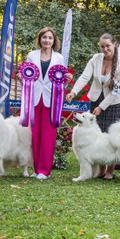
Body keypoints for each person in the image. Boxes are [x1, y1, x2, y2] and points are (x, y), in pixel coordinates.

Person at [66, 33, 120, 180]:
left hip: (114, 102)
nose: (105, 49)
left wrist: (102, 107)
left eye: (108, 46)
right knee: (97, 136)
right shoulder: (95, 59)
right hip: (95, 98)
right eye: (102, 46)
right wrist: (73, 92)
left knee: (111, 136)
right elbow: (85, 77)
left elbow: (116, 91)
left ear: (114, 44)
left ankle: (110, 170)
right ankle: (100, 170)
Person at [24, 27, 72, 180]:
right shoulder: (32, 55)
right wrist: (21, 76)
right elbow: (26, 74)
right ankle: (36, 168)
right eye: (44, 37)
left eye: (50, 38)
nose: (47, 40)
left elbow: (61, 81)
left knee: (48, 135)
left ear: (54, 40)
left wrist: (67, 79)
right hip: (34, 98)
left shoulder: (59, 58)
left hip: (51, 100)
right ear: (40, 39)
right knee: (34, 135)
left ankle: (44, 170)